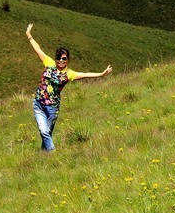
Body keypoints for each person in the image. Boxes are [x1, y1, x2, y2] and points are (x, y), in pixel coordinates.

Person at [25, 23, 111, 152]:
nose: (61, 60)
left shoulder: (69, 74)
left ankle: (44, 156)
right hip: (39, 104)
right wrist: (29, 35)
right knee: (43, 131)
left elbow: (85, 74)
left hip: (53, 107)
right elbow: (38, 49)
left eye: (64, 58)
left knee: (47, 133)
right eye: (58, 58)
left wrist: (101, 74)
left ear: (68, 60)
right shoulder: (49, 63)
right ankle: (53, 155)